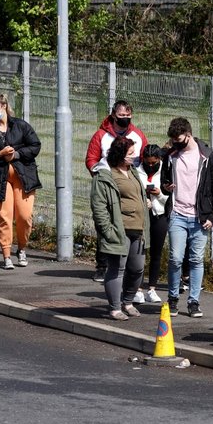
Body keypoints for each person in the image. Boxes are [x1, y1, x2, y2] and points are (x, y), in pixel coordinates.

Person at [161, 117, 213, 318]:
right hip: (178, 214)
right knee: (176, 257)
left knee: (197, 259)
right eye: (173, 141)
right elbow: (164, 179)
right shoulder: (171, 156)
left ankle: (193, 301)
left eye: (179, 140)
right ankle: (172, 298)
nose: (176, 144)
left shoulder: (208, 158)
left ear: (189, 135)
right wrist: (166, 186)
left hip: (200, 217)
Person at [85, 100, 149, 282]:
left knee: (131, 228)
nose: (125, 119)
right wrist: (101, 177)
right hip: (109, 185)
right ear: (113, 115)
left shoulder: (138, 136)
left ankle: (129, 266)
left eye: (128, 116)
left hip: (131, 186)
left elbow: (145, 158)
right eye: (121, 116)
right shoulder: (101, 136)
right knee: (105, 224)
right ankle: (102, 265)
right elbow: (91, 159)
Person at [91, 136, 150, 321]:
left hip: (138, 228)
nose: (134, 157)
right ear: (119, 154)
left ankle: (128, 301)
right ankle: (115, 308)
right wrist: (108, 230)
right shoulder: (105, 175)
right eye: (130, 154)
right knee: (117, 269)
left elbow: (135, 194)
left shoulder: (132, 171)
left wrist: (143, 202)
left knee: (137, 268)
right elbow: (99, 206)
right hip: (119, 230)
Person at [0, 94, 41, 270]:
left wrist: (16, 155)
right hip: (1, 178)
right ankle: (6, 254)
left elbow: (35, 145)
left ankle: (21, 248)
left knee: (24, 216)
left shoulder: (21, 126)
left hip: (23, 177)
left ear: (4, 106)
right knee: (4, 216)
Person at [133, 144, 168, 305]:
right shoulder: (136, 170)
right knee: (140, 251)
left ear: (159, 159)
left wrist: (159, 194)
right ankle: (138, 289)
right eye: (148, 163)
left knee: (156, 252)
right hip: (142, 215)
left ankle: (152, 288)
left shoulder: (166, 172)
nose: (151, 165)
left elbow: (172, 199)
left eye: (154, 163)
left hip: (160, 214)